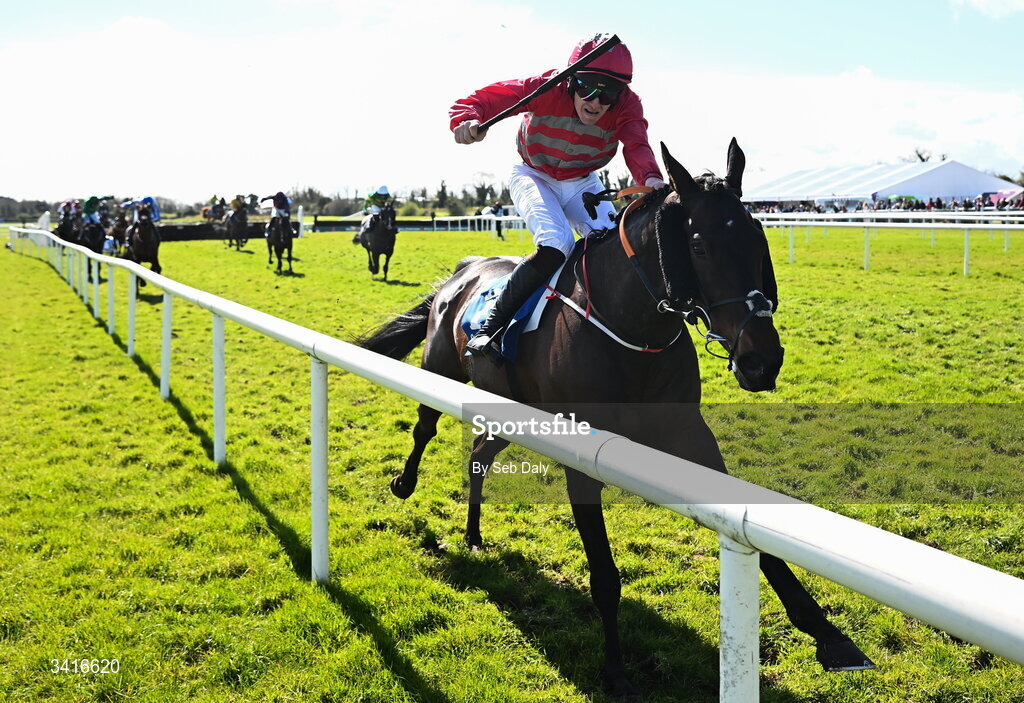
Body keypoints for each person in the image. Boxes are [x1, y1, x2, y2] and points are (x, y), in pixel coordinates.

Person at [450, 32, 666, 360]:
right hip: (533, 175)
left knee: (614, 241)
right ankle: (490, 326)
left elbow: (636, 144)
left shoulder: (627, 106)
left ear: (621, 93)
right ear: (570, 79)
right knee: (556, 244)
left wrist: (651, 179)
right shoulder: (547, 86)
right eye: (586, 88)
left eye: (607, 94)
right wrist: (467, 118)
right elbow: (494, 97)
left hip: (583, 181)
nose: (595, 102)